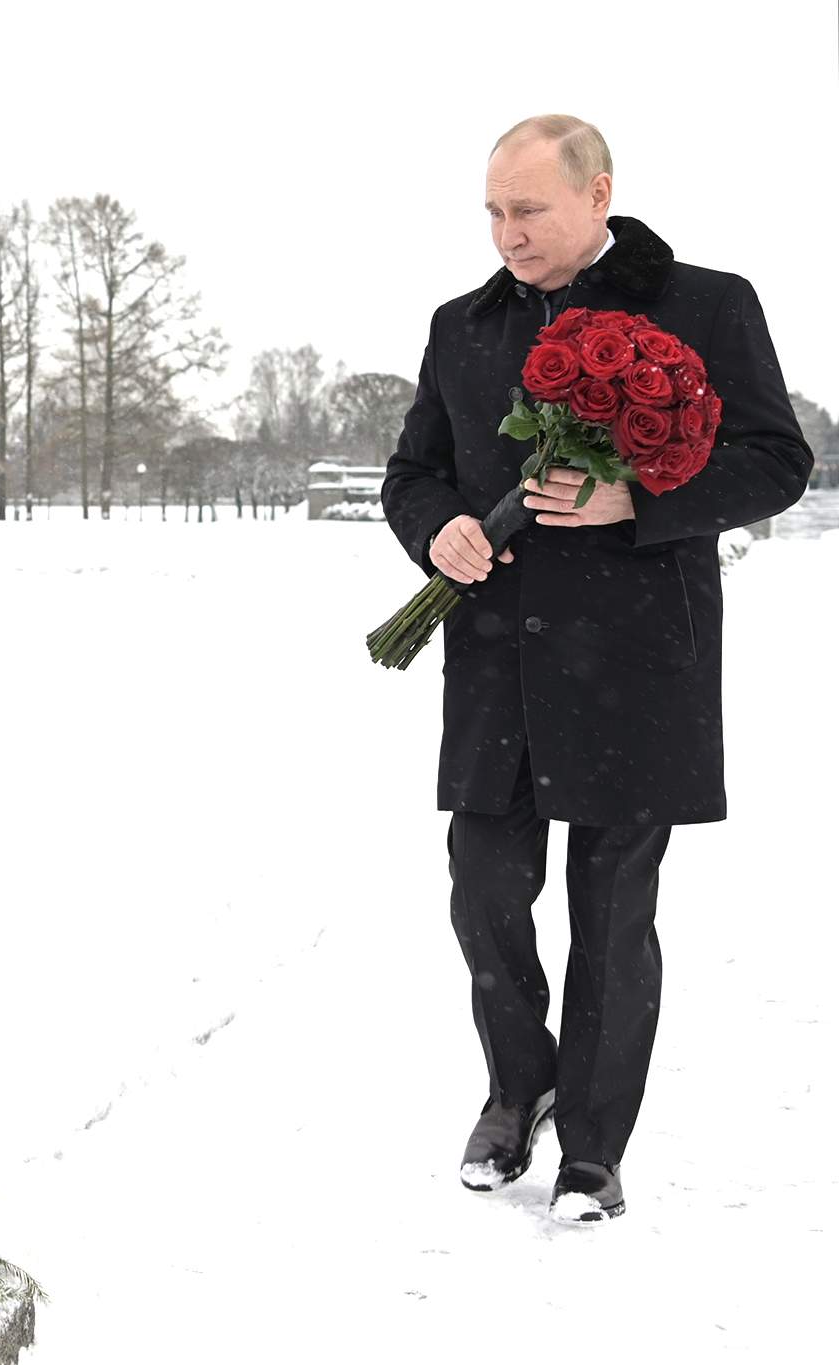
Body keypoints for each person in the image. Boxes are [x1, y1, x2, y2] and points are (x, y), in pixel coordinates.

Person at [378, 114, 814, 1223]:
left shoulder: (705, 304)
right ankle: (515, 1090)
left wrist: (641, 499)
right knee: (482, 894)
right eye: (490, 209)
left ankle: (593, 1146)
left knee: (611, 912)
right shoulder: (459, 326)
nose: (504, 231)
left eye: (525, 209)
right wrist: (437, 533)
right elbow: (412, 472)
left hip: (636, 662)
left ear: (595, 195)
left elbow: (775, 461)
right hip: (493, 660)